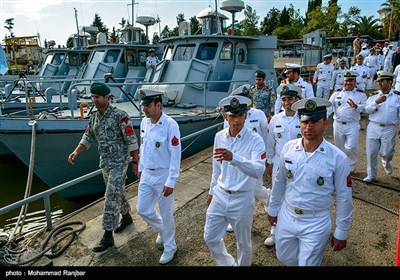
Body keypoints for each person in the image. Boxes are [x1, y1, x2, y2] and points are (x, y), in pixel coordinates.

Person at [267, 97, 353, 266]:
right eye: (305, 121)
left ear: (325, 122)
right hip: (288, 214)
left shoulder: (338, 158)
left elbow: (344, 197)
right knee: (284, 257)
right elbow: (280, 182)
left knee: (307, 263)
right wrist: (273, 208)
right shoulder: (288, 149)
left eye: (314, 121)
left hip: (316, 220)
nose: (309, 127)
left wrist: (341, 231)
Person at [67, 82, 139, 253]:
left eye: (97, 97)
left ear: (107, 97)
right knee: (116, 193)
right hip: (105, 163)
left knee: (110, 196)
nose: (94, 100)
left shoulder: (120, 116)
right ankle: (127, 216)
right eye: (92, 97)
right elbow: (88, 137)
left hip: (119, 163)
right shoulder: (94, 117)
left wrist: (135, 161)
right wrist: (76, 152)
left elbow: (132, 140)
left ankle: (108, 236)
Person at [204, 95, 266, 266]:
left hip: (242, 198)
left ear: (246, 115)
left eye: (240, 115)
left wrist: (234, 158)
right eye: (232, 116)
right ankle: (226, 263)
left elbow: (258, 169)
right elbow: (216, 168)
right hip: (220, 194)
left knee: (243, 243)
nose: (237, 120)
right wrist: (211, 191)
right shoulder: (219, 137)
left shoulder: (255, 140)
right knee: (210, 237)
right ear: (226, 117)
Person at [136, 89, 181, 264]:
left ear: (158, 105)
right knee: (142, 209)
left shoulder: (171, 125)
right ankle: (163, 229)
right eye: (143, 106)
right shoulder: (144, 123)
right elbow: (143, 146)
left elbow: (176, 154)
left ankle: (170, 246)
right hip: (147, 173)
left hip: (163, 175)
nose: (144, 109)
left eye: (147, 106)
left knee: (167, 213)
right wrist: (140, 167)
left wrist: (171, 180)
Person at [223, 84, 270, 233]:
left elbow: (266, 135)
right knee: (237, 189)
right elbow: (227, 137)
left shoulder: (259, 114)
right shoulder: (230, 116)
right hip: (235, 158)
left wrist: (266, 158)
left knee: (255, 189)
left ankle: (269, 199)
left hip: (253, 158)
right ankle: (236, 218)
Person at [264, 83, 302, 247]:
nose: (287, 102)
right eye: (284, 99)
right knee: (276, 195)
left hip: (300, 164)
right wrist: (269, 161)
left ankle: (298, 232)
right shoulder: (275, 119)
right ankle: (274, 231)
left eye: (290, 99)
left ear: (297, 99)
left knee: (298, 197)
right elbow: (270, 142)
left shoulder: (303, 118)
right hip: (279, 163)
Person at [363, 71, 400, 182]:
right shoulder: (373, 95)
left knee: (387, 152)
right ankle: (371, 175)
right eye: (378, 81)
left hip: (389, 128)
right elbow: (366, 110)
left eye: (382, 81)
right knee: (371, 152)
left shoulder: (397, 96)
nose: (379, 83)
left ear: (389, 82)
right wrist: (375, 102)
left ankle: (386, 161)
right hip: (373, 126)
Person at [327, 71, 367, 172]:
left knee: (351, 147)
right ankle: (341, 166)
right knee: (339, 148)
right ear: (343, 81)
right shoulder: (336, 94)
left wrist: (356, 106)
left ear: (355, 82)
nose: (348, 83)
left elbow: (365, 108)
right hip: (338, 124)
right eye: (346, 80)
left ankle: (351, 166)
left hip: (352, 125)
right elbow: (329, 107)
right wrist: (325, 117)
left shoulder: (361, 95)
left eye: (351, 81)